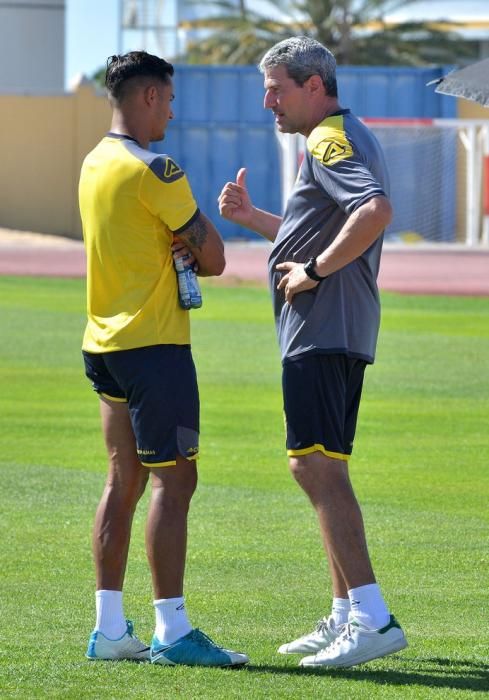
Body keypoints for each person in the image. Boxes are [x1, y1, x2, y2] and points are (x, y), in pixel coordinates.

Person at [218, 36, 407, 669]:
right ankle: (347, 613)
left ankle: (373, 616)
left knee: (311, 467)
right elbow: (315, 227)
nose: (266, 100)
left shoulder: (327, 139)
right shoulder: (338, 135)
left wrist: (316, 273)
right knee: (328, 466)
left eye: (276, 88)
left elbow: (373, 211)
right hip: (335, 330)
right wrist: (256, 220)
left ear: (314, 86)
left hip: (324, 328)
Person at [79, 50, 248, 668]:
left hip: (103, 344)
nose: (172, 112)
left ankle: (109, 629)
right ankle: (172, 631)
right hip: (154, 347)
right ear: (149, 96)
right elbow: (217, 258)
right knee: (175, 481)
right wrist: (195, 235)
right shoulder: (158, 168)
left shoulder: (94, 162)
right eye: (170, 100)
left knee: (122, 478)